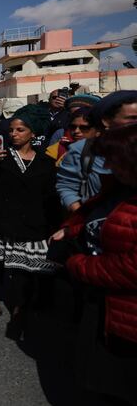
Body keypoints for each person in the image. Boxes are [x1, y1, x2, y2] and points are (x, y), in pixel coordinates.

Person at [50, 123, 137, 404]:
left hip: (125, 311)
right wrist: (74, 231)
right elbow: (103, 221)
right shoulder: (121, 190)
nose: (109, 166)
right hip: (109, 308)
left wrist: (77, 264)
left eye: (114, 159)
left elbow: (130, 268)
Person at [0, 104, 62, 338]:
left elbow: (50, 197)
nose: (13, 134)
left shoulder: (45, 163)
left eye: (20, 130)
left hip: (29, 224)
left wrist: (54, 226)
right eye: (11, 130)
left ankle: (20, 310)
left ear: (33, 133)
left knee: (23, 272)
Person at [57, 90, 137, 212]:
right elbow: (67, 187)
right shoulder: (84, 150)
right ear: (107, 121)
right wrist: (80, 219)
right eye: (132, 118)